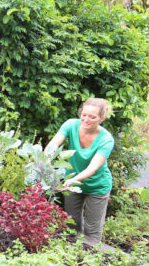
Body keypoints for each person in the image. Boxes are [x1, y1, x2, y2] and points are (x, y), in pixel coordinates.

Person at [47, 98, 115, 246]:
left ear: (101, 118)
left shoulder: (106, 140)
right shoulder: (70, 125)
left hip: (97, 186)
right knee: (71, 223)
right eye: (84, 115)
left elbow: (93, 167)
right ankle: (71, 258)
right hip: (72, 183)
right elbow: (53, 144)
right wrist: (46, 163)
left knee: (92, 230)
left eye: (92, 117)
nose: (86, 119)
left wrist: (71, 181)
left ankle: (89, 261)